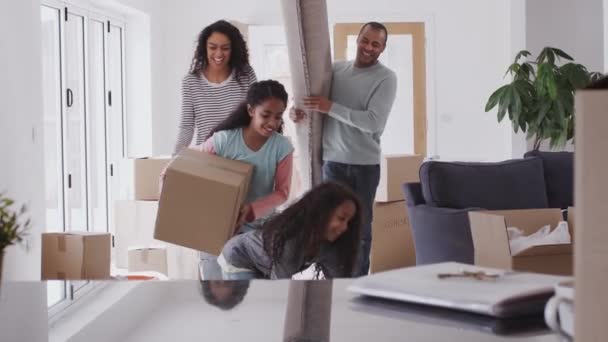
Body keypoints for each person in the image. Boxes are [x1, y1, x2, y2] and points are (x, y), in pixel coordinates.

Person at [290, 22, 397, 276]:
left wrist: (330, 107)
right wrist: (299, 113)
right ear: (357, 39)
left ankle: (356, 284)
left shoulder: (386, 78)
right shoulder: (337, 69)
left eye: (375, 44)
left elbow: (373, 121)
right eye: (365, 40)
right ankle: (332, 282)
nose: (368, 47)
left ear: (383, 48)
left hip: (363, 166)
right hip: (332, 162)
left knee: (360, 230)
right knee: (329, 226)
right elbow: (314, 104)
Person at [197, 79, 294, 279]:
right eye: (265, 115)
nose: (272, 123)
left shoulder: (282, 147)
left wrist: (252, 210)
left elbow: (282, 192)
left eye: (278, 117)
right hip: (218, 231)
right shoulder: (223, 141)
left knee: (249, 296)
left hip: (257, 232)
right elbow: (192, 167)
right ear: (251, 110)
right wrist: (168, 174)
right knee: (216, 299)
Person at [218, 182, 362, 280]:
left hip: (264, 267)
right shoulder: (292, 240)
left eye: (349, 222)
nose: (345, 228)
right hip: (239, 256)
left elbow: (337, 284)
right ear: (322, 213)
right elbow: (281, 288)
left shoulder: (330, 245)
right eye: (341, 218)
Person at [173, 19, 257, 155]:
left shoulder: (246, 75)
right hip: (206, 158)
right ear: (204, 48)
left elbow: (258, 114)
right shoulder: (191, 82)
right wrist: (174, 158)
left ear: (233, 49)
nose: (218, 54)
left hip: (241, 156)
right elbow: (187, 126)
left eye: (225, 48)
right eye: (212, 47)